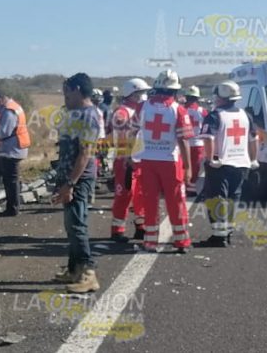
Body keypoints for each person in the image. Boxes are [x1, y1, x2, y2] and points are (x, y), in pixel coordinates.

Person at [51, 73, 104, 293]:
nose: (65, 96)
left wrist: (71, 183)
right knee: (71, 226)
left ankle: (88, 274)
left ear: (78, 90)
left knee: (77, 226)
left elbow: (85, 153)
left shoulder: (89, 116)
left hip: (78, 179)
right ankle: (74, 269)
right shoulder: (75, 114)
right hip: (68, 176)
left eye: (67, 92)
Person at [131, 69, 193, 254]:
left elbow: (132, 133)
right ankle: (182, 241)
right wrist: (189, 167)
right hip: (170, 162)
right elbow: (183, 140)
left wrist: (131, 157)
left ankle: (150, 242)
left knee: (150, 201)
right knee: (176, 202)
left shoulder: (142, 107)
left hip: (147, 160)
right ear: (174, 90)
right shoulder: (179, 110)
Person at [198, 80, 259, 248]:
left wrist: (211, 159)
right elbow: (254, 139)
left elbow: (209, 139)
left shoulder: (214, 115)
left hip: (221, 163)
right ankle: (228, 232)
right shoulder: (245, 115)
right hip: (242, 163)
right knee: (234, 198)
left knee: (216, 199)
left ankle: (219, 236)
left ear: (221, 96)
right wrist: (254, 159)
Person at [109, 78, 152, 243]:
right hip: (125, 160)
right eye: (140, 93)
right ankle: (117, 230)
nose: (143, 96)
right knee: (124, 195)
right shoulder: (121, 112)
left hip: (141, 159)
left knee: (141, 195)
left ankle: (140, 227)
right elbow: (122, 136)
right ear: (131, 94)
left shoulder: (143, 110)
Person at [0, 89, 30, 217]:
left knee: (11, 180)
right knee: (8, 178)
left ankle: (12, 209)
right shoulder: (13, 107)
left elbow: (5, 131)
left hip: (12, 149)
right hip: (13, 147)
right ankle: (10, 205)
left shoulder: (9, 111)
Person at [184, 85, 209, 197]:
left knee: (182, 167)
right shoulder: (202, 111)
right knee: (195, 168)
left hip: (182, 143)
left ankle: (181, 188)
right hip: (198, 144)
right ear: (197, 98)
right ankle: (191, 189)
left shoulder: (180, 109)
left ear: (186, 97)